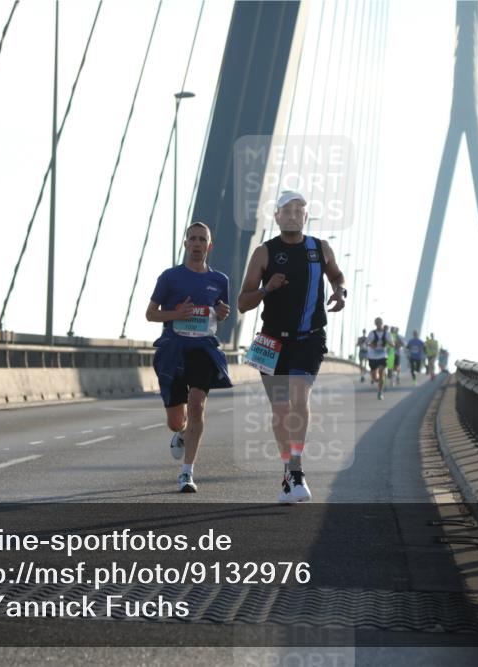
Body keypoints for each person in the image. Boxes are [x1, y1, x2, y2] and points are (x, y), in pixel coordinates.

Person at [238, 190, 346, 504]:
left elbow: (338, 276)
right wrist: (267, 288)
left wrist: (341, 292)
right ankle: (288, 466)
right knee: (280, 410)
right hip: (271, 341)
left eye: (299, 210)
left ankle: (296, 469)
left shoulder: (320, 248)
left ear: (305, 216)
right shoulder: (264, 253)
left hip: (310, 338)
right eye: (287, 211)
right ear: (276, 217)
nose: (293, 215)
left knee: (299, 398)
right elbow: (243, 302)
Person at [146, 222, 232, 493]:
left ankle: (187, 472)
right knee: (176, 420)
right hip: (173, 350)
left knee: (196, 404)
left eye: (202, 239)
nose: (197, 244)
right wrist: (176, 315)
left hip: (203, 350)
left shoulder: (220, 281)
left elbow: (220, 315)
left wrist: (222, 313)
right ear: (185, 244)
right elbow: (150, 314)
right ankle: (181, 433)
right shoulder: (169, 277)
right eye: (192, 239)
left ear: (210, 245)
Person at [365, 318, 391, 400]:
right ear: (375, 324)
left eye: (380, 323)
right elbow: (367, 342)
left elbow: (391, 342)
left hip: (383, 356)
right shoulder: (372, 333)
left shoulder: (386, 333)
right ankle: (377, 380)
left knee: (381, 373)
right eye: (377, 323)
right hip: (372, 356)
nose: (379, 324)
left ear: (382, 323)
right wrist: (371, 345)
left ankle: (380, 392)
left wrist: (392, 344)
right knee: (375, 378)